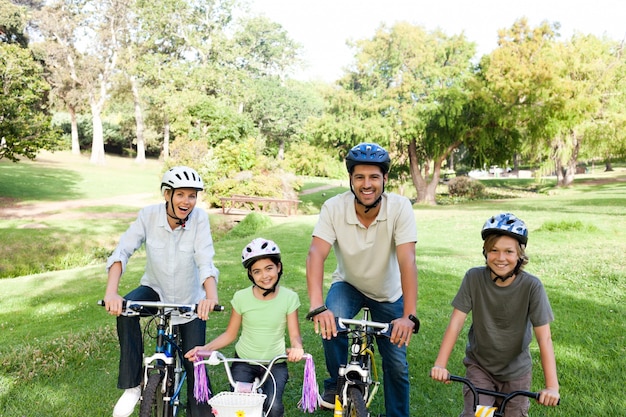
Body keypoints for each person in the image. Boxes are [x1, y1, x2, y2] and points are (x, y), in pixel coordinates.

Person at [305, 142, 419, 417]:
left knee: (396, 364)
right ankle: (335, 383)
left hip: (388, 292)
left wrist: (409, 316)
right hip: (349, 284)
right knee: (330, 323)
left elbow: (408, 261)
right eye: (359, 177)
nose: (366, 184)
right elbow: (315, 254)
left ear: (385, 179)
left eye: (373, 177)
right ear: (351, 180)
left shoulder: (400, 207)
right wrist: (318, 306)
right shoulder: (334, 207)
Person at [103, 166, 220, 417]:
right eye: (181, 195)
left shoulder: (199, 219)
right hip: (155, 290)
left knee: (194, 366)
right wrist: (112, 293)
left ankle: (200, 411)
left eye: (192, 196)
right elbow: (122, 251)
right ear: (167, 194)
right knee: (127, 311)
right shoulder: (148, 216)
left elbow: (205, 260)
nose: (187, 201)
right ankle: (133, 386)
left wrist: (210, 297)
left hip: (191, 299)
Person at [430, 213, 560, 416]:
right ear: (485, 252)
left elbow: (545, 338)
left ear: (519, 255)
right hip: (480, 367)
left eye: (509, 251)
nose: (501, 258)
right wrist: (440, 364)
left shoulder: (531, 286)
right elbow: (455, 324)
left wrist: (552, 386)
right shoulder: (473, 278)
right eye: (494, 250)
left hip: (516, 371)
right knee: (479, 413)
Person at [186, 237, 304, 417]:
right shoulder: (241, 298)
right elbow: (230, 334)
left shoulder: (289, 298)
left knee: (274, 407)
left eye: (269, 268)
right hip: (244, 362)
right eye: (257, 271)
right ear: (251, 275)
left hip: (275, 363)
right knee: (238, 408)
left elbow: (294, 334)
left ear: (278, 267)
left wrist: (297, 347)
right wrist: (205, 349)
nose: (264, 276)